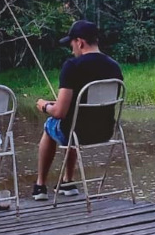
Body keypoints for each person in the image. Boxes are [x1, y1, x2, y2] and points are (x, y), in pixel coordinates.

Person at [33, 20, 122, 201]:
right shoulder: (114, 66)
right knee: (71, 123)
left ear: (80, 42)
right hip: (105, 133)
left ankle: (40, 185)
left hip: (77, 133)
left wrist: (44, 105)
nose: (72, 49)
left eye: (72, 44)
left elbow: (59, 113)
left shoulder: (72, 66)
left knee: (51, 125)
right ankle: (68, 182)